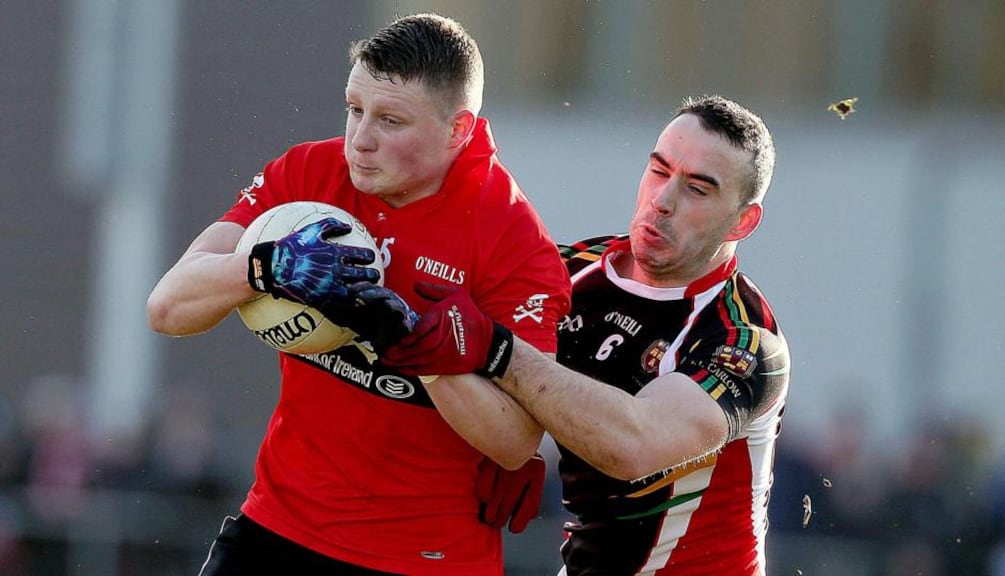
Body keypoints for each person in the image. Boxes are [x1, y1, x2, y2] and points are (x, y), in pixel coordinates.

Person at [147, 13, 569, 576]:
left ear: (458, 130)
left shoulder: (513, 241)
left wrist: (409, 342)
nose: (360, 140)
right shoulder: (309, 175)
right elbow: (168, 307)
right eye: (354, 109)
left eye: (391, 120)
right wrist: (266, 267)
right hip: (278, 525)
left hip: (428, 560)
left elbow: (516, 443)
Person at [383, 95, 791, 575]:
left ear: (743, 220)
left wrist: (497, 351)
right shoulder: (565, 271)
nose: (663, 201)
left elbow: (632, 444)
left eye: (698, 189)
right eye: (659, 171)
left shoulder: (746, 341)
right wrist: (500, 450)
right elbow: (450, 338)